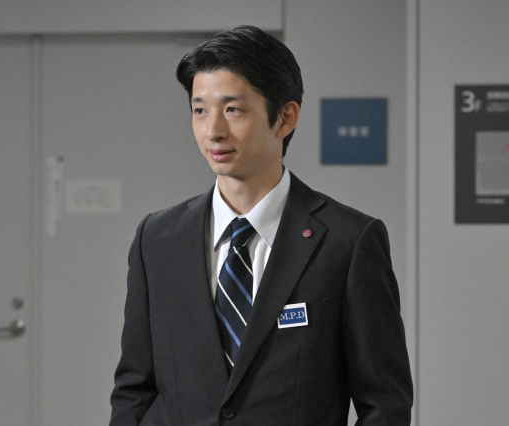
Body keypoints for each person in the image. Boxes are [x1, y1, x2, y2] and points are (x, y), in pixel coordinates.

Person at [110, 25, 413, 425]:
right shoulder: (157, 238)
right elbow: (134, 390)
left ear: (285, 118)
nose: (213, 131)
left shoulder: (348, 241)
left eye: (233, 109)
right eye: (200, 110)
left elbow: (385, 406)